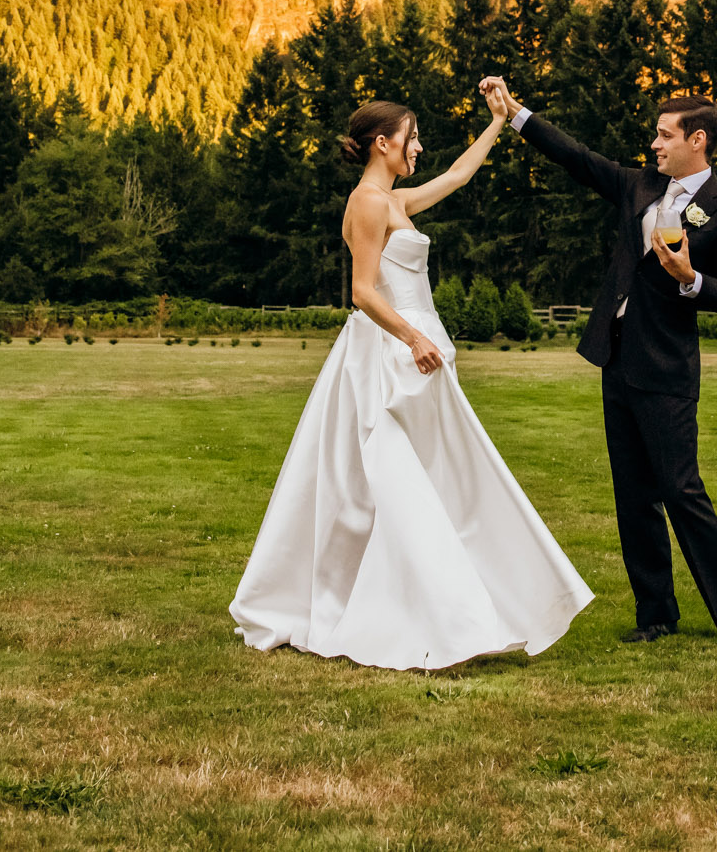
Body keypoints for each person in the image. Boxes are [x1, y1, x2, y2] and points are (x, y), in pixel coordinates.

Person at [229, 89, 594, 671]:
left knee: (443, 475)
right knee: (398, 479)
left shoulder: (394, 199)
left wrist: (498, 122)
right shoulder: (369, 204)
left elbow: (456, 175)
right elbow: (363, 291)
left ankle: (453, 601)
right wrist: (414, 338)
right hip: (393, 354)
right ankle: (424, 612)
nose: (420, 147)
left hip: (419, 351)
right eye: (412, 136)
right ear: (384, 142)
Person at [482, 78, 717, 651]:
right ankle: (655, 613)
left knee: (682, 492)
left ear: (698, 141)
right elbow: (576, 158)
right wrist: (515, 115)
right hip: (617, 359)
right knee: (633, 496)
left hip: (669, 370)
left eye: (665, 135)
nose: (655, 144)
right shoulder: (639, 186)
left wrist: (692, 281)